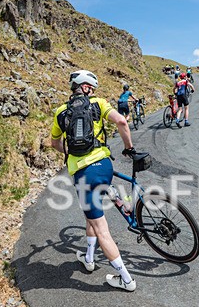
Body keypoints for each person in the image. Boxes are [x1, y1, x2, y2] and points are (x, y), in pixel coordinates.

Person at [49, 69, 139, 291]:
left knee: (101, 228)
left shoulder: (61, 112)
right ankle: (89, 259)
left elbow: (54, 143)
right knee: (92, 217)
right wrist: (129, 148)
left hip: (83, 174)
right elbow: (121, 121)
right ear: (88, 88)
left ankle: (126, 280)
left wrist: (69, 154)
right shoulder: (98, 103)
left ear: (74, 87)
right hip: (104, 167)